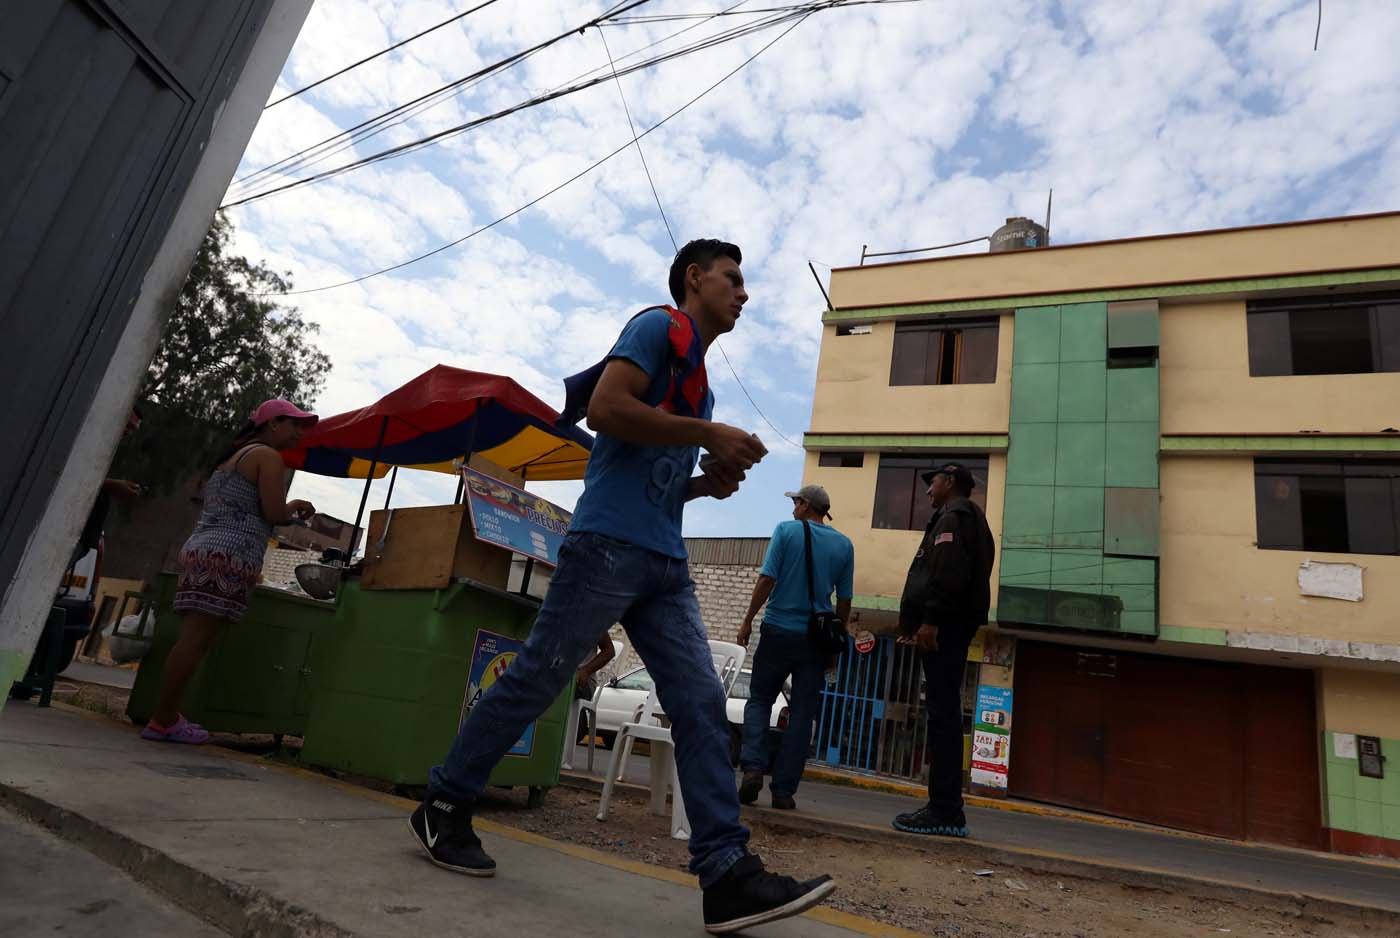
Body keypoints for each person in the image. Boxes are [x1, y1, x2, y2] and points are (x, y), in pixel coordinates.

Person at [409, 239, 837, 934]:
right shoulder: (653, 328)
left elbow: (657, 488)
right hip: (605, 547)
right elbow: (606, 409)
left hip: (664, 563)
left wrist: (706, 480)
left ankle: (726, 875)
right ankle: (444, 804)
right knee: (538, 678)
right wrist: (705, 432)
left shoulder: (701, 383)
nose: (744, 293)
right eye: (732, 279)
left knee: (700, 703)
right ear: (694, 279)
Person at [142, 399, 318, 744]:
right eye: (295, 424)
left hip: (205, 548)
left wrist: (285, 509)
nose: (299, 432)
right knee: (195, 641)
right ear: (273, 424)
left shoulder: (231, 457)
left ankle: (168, 716)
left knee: (194, 639)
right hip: (228, 556)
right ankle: (162, 720)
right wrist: (294, 509)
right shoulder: (268, 457)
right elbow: (273, 512)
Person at [892, 463, 995, 837]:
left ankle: (945, 810)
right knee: (945, 713)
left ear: (950, 482)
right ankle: (945, 807)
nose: (928, 489)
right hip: (954, 623)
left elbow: (947, 573)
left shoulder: (953, 517)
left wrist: (930, 620)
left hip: (946, 626)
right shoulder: (970, 518)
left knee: (943, 716)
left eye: (932, 481)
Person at [735, 484, 853, 810]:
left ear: (804, 505)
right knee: (802, 714)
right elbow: (844, 600)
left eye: (795, 502)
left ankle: (753, 770)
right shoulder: (844, 545)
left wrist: (746, 620)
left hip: (777, 631)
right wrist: (835, 643)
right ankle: (784, 791)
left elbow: (766, 579)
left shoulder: (786, 531)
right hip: (815, 640)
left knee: (759, 700)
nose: (792, 508)